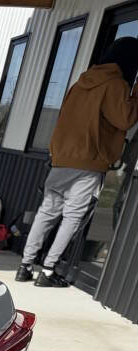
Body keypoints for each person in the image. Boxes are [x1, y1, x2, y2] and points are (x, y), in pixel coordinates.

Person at [16, 37, 138, 287]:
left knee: (47, 212)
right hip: (88, 162)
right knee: (72, 216)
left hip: (61, 158)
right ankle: (48, 271)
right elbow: (125, 119)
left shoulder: (81, 83)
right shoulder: (115, 85)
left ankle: (25, 266)